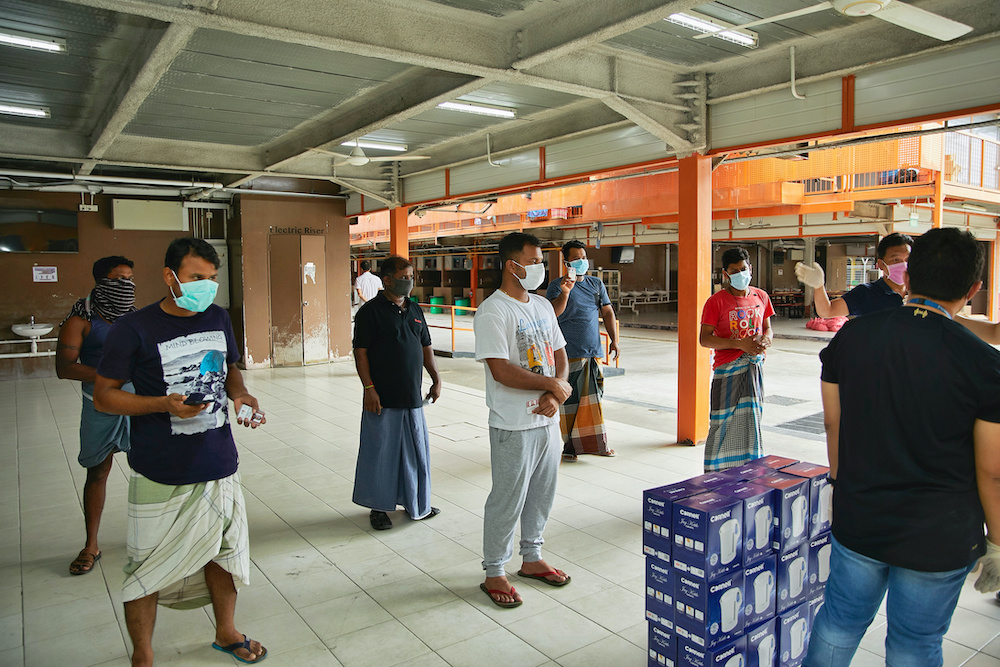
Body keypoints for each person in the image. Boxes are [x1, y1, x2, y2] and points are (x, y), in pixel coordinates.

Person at [806, 227, 1000, 666]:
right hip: (939, 534)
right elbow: (992, 470)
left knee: (838, 623)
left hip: (861, 516)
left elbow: (833, 423)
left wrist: (841, 488)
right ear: (973, 289)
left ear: (908, 275)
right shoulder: (985, 365)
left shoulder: (851, 339)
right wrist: (998, 543)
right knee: (914, 643)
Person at [94, 237, 267, 667]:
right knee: (145, 570)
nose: (206, 288)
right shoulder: (134, 329)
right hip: (160, 470)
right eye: (196, 278)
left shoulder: (219, 317)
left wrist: (241, 394)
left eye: (211, 279)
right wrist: (160, 404)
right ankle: (143, 655)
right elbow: (104, 397)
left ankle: (226, 632)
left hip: (219, 462)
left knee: (224, 554)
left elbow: (229, 369)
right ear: (169, 276)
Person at [474, 232, 573, 608]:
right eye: (533, 262)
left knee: (542, 494)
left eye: (540, 261)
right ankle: (495, 570)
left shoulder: (543, 307)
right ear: (511, 266)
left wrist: (554, 390)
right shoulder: (494, 311)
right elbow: (500, 369)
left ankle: (531, 558)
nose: (540, 268)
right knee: (507, 497)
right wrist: (551, 385)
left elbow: (559, 352)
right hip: (513, 423)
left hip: (547, 420)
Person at [56, 255, 137, 575]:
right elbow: (64, 368)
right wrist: (110, 374)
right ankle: (91, 544)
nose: (126, 286)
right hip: (99, 405)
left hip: (136, 403)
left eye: (130, 280)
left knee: (145, 467)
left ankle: (154, 536)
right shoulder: (81, 319)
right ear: (101, 282)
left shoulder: (133, 317)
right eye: (119, 280)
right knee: (98, 471)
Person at [352, 255, 442, 530]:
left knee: (416, 453)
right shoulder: (370, 312)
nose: (409, 282)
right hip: (382, 398)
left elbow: (426, 346)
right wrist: (369, 388)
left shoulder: (415, 310)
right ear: (387, 280)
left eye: (411, 277)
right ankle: (378, 508)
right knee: (381, 454)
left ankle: (416, 502)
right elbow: (361, 353)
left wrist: (436, 378)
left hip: (412, 397)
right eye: (404, 277)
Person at [699, 247, 774, 471]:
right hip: (728, 371)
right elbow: (705, 339)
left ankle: (750, 470)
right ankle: (715, 472)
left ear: (750, 268)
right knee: (721, 423)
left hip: (754, 371)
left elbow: (768, 328)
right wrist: (740, 344)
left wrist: (766, 340)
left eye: (744, 269)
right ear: (725, 274)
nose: (741, 274)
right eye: (735, 271)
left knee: (751, 421)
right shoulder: (716, 302)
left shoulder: (761, 296)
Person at [545, 239, 619, 460]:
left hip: (593, 352)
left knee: (593, 401)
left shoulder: (596, 285)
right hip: (568, 353)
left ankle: (597, 444)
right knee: (570, 402)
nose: (581, 261)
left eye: (584, 257)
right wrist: (566, 292)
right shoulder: (556, 286)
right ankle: (570, 447)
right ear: (566, 261)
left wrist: (614, 339)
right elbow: (552, 315)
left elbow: (607, 312)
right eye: (576, 258)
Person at [794, 232, 912, 317]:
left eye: (908, 259)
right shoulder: (867, 293)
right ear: (881, 264)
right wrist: (819, 286)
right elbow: (828, 311)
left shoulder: (922, 292)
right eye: (896, 260)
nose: (903, 265)